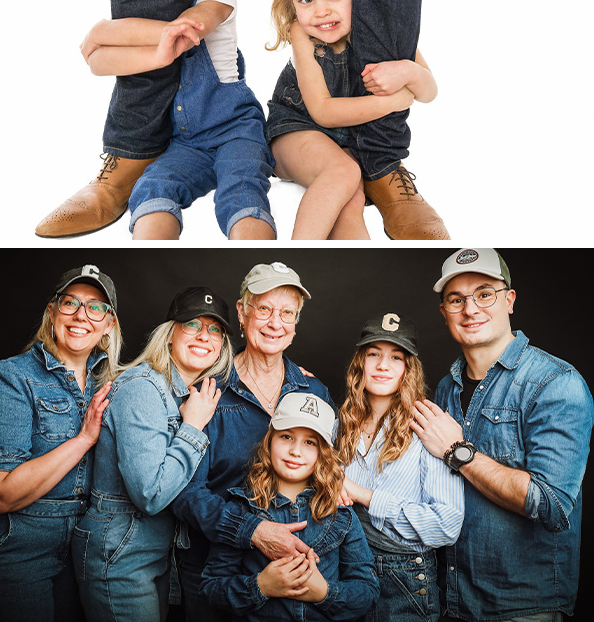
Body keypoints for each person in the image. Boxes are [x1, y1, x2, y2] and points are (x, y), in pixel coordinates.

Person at [35, 0, 446, 243]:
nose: (322, 10)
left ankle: (379, 165)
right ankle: (135, 151)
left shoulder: (219, 4)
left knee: (321, 191)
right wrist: (110, 40)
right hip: (225, 135)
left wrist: (110, 36)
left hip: (236, 128)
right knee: (157, 188)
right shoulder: (295, 33)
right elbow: (116, 55)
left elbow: (181, 33)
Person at [71, 0, 275, 241]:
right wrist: (148, 54)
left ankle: (252, 263)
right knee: (152, 187)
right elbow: (99, 64)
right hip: (186, 143)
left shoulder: (219, 0)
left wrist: (103, 31)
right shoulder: (161, 8)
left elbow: (186, 31)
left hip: (236, 131)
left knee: (241, 192)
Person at [411, 248, 593, 621]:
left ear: (508, 301)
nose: (471, 309)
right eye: (456, 299)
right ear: (444, 312)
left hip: (522, 607)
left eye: (484, 294)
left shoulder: (555, 384)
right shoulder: (448, 387)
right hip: (453, 600)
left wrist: (457, 451)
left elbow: (551, 504)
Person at [170, 261, 336, 621]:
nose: (275, 323)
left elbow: (329, 475)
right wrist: (254, 531)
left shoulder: (314, 391)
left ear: (295, 325)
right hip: (214, 569)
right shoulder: (208, 392)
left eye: (287, 313)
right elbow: (184, 493)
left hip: (298, 568)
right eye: (264, 309)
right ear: (243, 314)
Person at [264, 0, 441, 240]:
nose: (321, 11)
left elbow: (430, 91)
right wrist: (393, 101)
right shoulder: (303, 35)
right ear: (291, 1)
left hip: (344, 142)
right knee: (343, 172)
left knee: (352, 197)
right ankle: (295, 255)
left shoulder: (379, 31)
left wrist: (408, 72)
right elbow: (322, 111)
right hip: (296, 130)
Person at [0, 265, 120, 622]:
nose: (81, 315)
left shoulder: (114, 383)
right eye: (70, 303)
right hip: (19, 545)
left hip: (87, 547)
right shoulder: (11, 376)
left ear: (109, 323)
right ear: (52, 312)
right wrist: (84, 439)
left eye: (95, 307)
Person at [72, 286, 229, 620]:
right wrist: (193, 428)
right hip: (120, 551)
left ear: (221, 348)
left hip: (152, 551)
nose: (204, 336)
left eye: (215, 330)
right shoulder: (143, 388)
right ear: (169, 334)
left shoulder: (188, 394)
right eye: (192, 325)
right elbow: (150, 494)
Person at [202, 392, 380, 621]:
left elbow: (368, 591)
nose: (296, 450)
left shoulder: (340, 515)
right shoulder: (242, 509)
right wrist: (261, 586)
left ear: (322, 454)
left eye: (309, 442)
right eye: (286, 436)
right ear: (270, 441)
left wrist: (324, 593)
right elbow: (212, 588)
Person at [336, 313, 462, 622]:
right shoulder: (339, 425)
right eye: (373, 354)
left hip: (404, 580)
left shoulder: (427, 428)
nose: (382, 365)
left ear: (408, 369)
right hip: (345, 571)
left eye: (396, 357)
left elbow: (447, 524)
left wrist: (364, 496)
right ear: (360, 364)